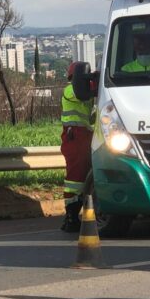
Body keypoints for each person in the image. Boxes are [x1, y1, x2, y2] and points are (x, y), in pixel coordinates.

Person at [60, 61, 95, 233]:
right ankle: (71, 215)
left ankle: (77, 214)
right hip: (74, 137)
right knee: (75, 178)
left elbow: (91, 116)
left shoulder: (85, 95)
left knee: (86, 175)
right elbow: (83, 93)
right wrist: (96, 82)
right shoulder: (71, 90)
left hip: (85, 137)